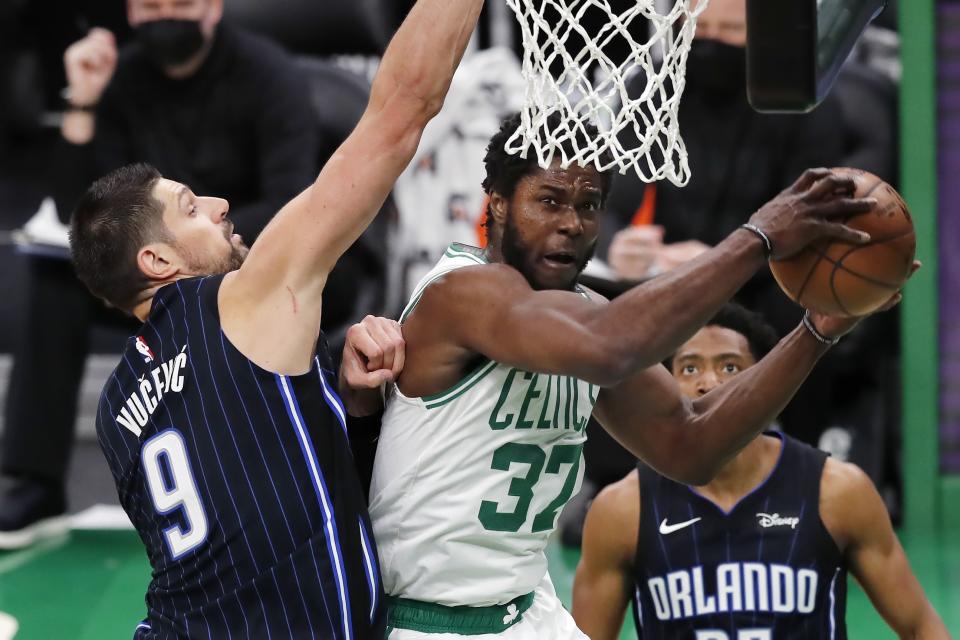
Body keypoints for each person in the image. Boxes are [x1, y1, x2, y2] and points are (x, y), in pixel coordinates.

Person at [366, 111, 906, 639]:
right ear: (500, 205)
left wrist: (816, 332)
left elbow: (688, 446)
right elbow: (608, 346)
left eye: (588, 205)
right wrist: (756, 238)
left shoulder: (582, 311)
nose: (571, 224)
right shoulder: (463, 293)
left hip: (529, 612)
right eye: (549, 201)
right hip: (426, 620)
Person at [65, 0, 484, 633]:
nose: (218, 202)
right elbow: (401, 113)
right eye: (190, 208)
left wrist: (347, 405)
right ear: (156, 259)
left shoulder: (117, 404)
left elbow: (258, 499)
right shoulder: (242, 302)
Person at [0, 0, 320, 548]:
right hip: (155, 284)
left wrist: (207, 240)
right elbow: (80, 213)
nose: (164, 13)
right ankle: (36, 482)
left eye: (179, 3)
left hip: (247, 264)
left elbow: (297, 199)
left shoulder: (271, 76)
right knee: (54, 282)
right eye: (151, 5)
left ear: (213, 8)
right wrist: (83, 100)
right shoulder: (120, 79)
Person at [571, 304, 948, 639]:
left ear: (767, 383)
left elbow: (920, 627)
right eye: (689, 367)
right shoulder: (623, 509)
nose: (709, 382)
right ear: (667, 386)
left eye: (730, 366)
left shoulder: (837, 491)